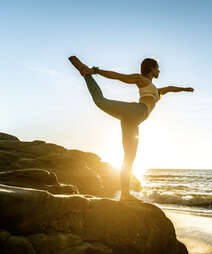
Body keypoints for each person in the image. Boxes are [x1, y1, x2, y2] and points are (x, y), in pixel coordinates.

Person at [68, 56, 194, 201]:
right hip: (136, 111)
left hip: (133, 122)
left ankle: (125, 194)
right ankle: (86, 72)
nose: (159, 70)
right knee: (101, 101)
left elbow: (171, 88)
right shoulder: (141, 79)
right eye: (157, 67)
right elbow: (118, 77)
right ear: (151, 68)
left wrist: (185, 89)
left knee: (129, 158)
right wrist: (95, 70)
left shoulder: (157, 90)